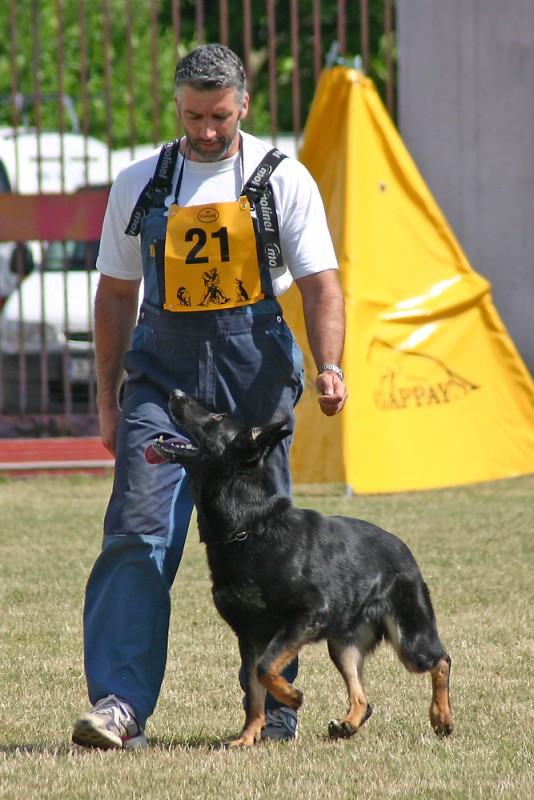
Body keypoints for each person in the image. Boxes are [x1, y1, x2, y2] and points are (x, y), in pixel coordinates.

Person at [72, 43, 347, 750]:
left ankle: (274, 705)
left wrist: (329, 365)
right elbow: (115, 293)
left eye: (219, 116)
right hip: (161, 386)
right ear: (177, 105)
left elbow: (320, 284)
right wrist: (110, 399)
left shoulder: (281, 180)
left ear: (243, 105)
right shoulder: (141, 182)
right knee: (137, 534)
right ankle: (118, 707)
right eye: (193, 115)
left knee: (268, 552)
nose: (205, 130)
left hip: (252, 380)